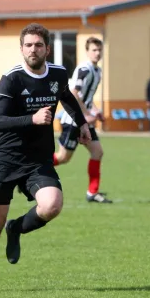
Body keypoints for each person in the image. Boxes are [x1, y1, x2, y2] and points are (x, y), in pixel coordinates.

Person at [0, 23, 90, 293]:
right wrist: (32, 119)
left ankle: (17, 229)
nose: (33, 50)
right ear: (21, 49)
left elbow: (66, 97)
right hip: (4, 159)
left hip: (37, 159)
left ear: (47, 48)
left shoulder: (58, 73)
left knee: (52, 205)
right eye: (28, 45)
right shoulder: (11, 78)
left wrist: (82, 123)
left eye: (38, 45)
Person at [54, 37, 112, 203]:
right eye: (94, 50)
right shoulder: (84, 69)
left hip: (83, 121)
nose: (97, 53)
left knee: (97, 152)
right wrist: (85, 114)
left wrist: (95, 111)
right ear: (87, 52)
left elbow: (86, 98)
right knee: (63, 157)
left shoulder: (98, 72)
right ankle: (30, 169)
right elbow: (73, 93)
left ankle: (92, 193)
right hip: (73, 120)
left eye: (99, 50)